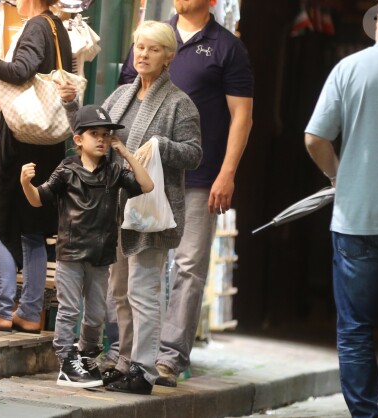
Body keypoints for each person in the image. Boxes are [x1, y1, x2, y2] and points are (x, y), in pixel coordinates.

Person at [112, 0, 254, 387]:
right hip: (143, 178)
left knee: (189, 265)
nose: (144, 53)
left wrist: (227, 173)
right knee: (132, 262)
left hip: (201, 174)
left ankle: (170, 358)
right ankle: (127, 352)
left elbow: (242, 114)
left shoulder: (227, 47)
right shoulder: (153, 36)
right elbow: (126, 95)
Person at [58, 20, 202, 395]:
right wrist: (72, 102)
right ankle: (125, 361)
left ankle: (144, 370)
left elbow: (194, 154)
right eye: (139, 47)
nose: (143, 54)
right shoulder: (121, 96)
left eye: (153, 49)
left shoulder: (179, 103)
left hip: (152, 211)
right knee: (119, 292)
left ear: (168, 57)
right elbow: (90, 133)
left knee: (144, 290)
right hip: (114, 208)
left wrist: (159, 144)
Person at [304, 2, 378, 416]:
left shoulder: (351, 67)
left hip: (358, 216)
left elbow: (315, 138)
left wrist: (338, 176)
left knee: (356, 330)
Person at [21, 104, 154, 388]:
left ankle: (86, 355)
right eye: (95, 133)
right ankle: (66, 359)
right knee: (69, 309)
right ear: (78, 139)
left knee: (95, 313)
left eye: (106, 134)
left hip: (101, 255)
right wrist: (25, 183)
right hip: (70, 252)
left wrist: (126, 153)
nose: (102, 139)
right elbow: (37, 199)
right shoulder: (67, 169)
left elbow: (146, 185)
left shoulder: (114, 171)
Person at [0, 0, 72, 333]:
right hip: (48, 141)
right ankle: (29, 312)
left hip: (19, 136)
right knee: (33, 229)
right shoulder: (57, 29)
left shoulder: (36, 26)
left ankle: (0, 306)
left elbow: (22, 70)